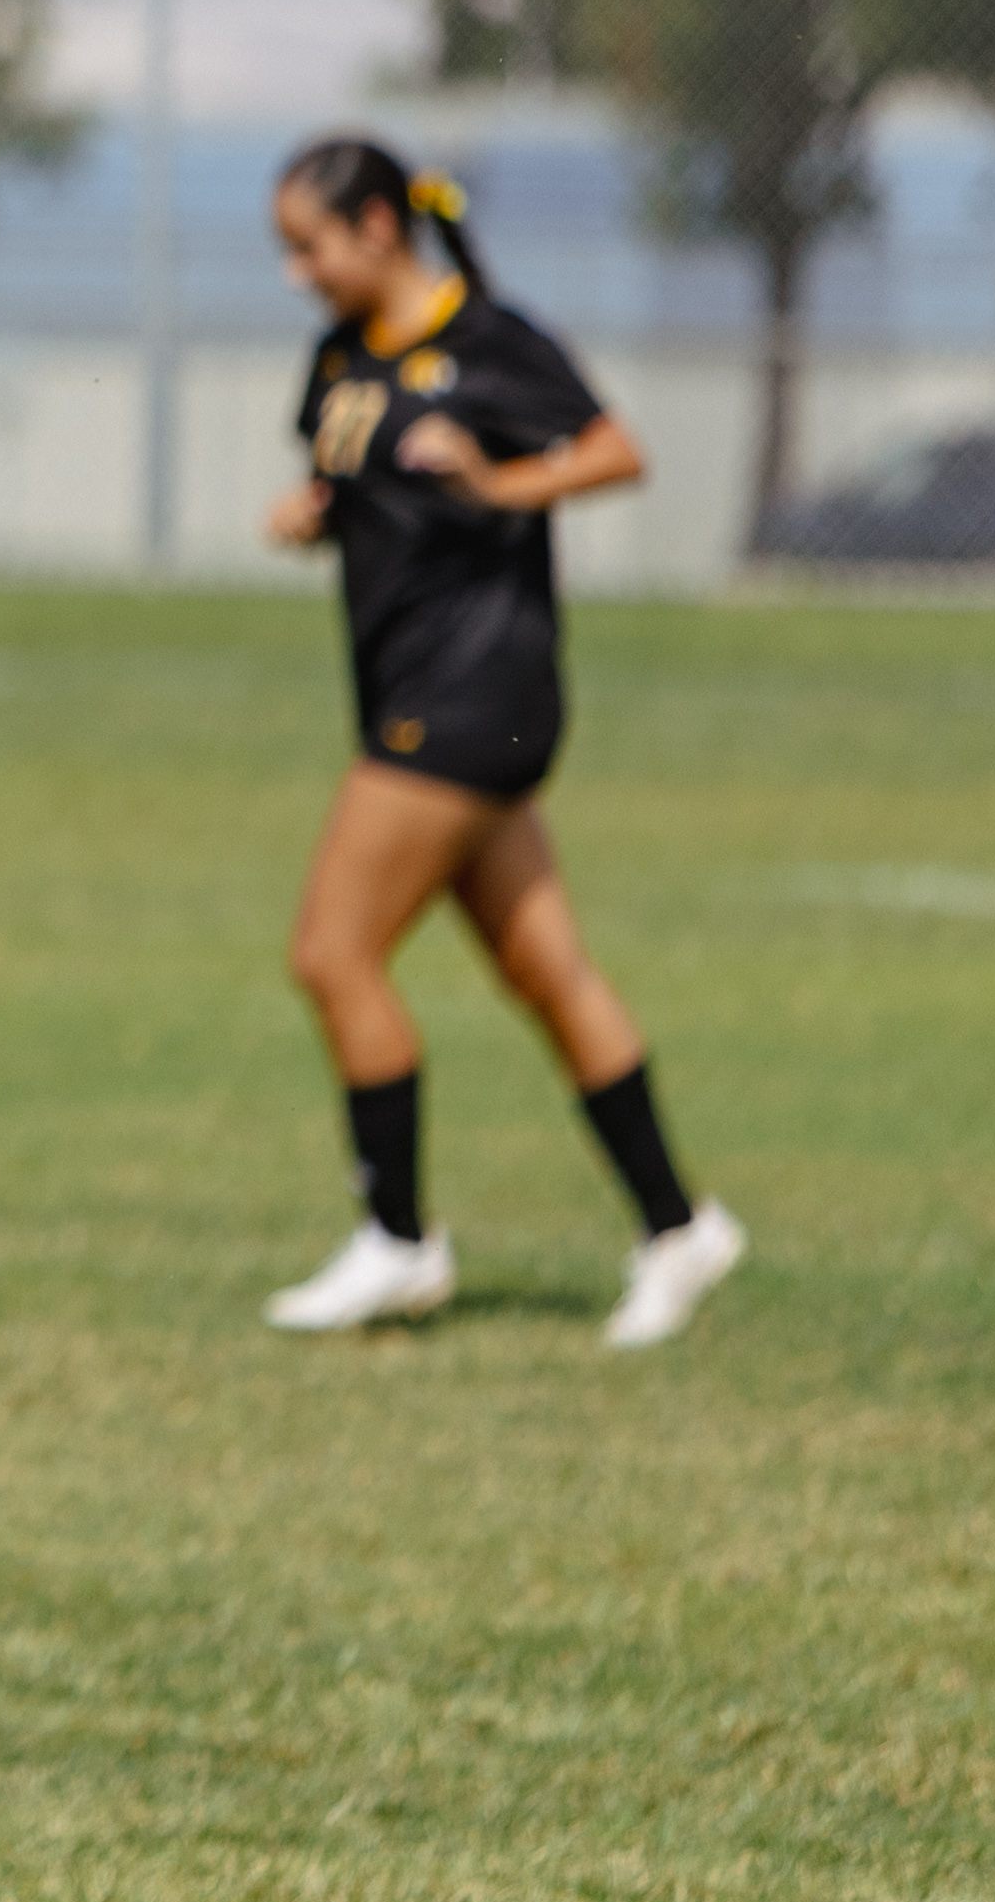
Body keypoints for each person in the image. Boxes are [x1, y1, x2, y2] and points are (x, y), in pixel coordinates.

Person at [257, 134, 744, 1349]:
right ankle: (681, 1229)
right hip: (416, 691)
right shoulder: (338, 356)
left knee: (332, 952)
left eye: (308, 245)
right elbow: (360, 486)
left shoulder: (493, 344)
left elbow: (615, 451)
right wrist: (318, 518)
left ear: (379, 226)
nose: (296, 271)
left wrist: (493, 483)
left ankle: (400, 1243)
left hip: (476, 693)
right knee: (545, 972)